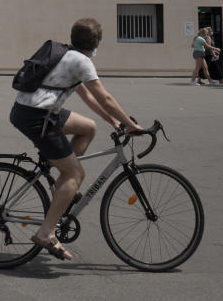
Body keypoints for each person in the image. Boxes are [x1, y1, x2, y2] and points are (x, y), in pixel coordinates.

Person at [9, 18, 141, 262]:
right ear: (96, 43)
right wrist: (131, 125)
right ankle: (46, 233)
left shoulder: (67, 55)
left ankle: (61, 185)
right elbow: (105, 98)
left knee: (87, 128)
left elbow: (89, 98)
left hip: (34, 111)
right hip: (38, 117)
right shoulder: (82, 61)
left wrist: (112, 122)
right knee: (76, 175)